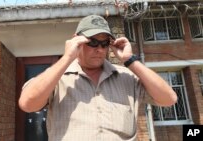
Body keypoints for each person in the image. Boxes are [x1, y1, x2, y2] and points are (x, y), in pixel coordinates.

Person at [19, 15, 177, 141]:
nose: (100, 49)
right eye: (92, 42)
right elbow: (27, 104)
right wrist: (67, 57)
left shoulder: (126, 76)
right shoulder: (57, 78)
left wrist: (130, 60)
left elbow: (169, 99)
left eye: (104, 43)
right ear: (77, 40)